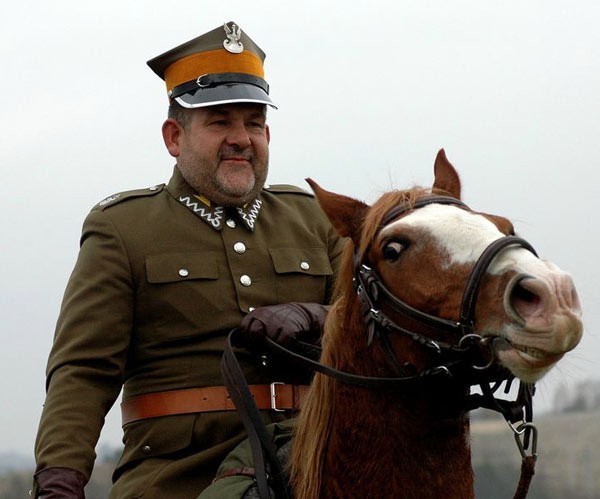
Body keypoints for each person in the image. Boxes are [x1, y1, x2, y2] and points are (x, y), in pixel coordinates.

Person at [32, 21, 345, 498]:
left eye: (254, 122)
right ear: (174, 137)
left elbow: (370, 321)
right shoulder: (123, 228)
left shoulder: (313, 218)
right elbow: (84, 372)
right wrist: (58, 482)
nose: (242, 138)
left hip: (315, 456)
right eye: (220, 122)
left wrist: (313, 314)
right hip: (179, 473)